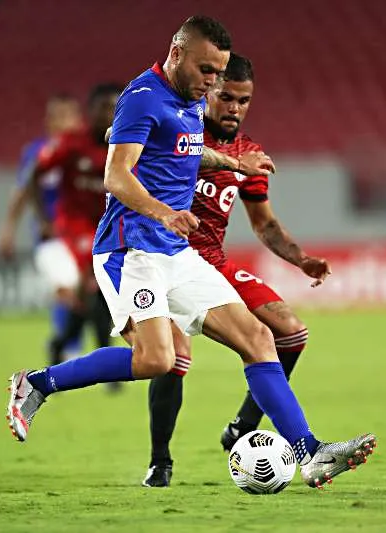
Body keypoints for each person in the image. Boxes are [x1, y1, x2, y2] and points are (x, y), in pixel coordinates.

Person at [6, 16, 375, 490]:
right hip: (130, 248)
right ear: (176, 53)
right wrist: (163, 212)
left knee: (259, 339)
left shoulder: (190, 100)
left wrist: (232, 162)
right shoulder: (141, 99)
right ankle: (38, 383)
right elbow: (116, 176)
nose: (211, 82)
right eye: (205, 69)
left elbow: (186, 149)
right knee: (157, 360)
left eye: (217, 73)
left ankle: (311, 452)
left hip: (175, 252)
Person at [143, 53, 332, 487]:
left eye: (244, 101)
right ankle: (160, 461)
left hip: (214, 263)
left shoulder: (249, 154)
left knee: (290, 330)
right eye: (226, 97)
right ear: (207, 91)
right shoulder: (177, 129)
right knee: (174, 359)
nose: (234, 108)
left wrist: (300, 259)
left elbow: (264, 223)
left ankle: (243, 426)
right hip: (163, 259)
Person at [28, 83, 122, 374]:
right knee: (93, 286)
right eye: (103, 107)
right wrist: (44, 219)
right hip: (76, 228)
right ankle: (106, 363)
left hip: (110, 227)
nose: (109, 114)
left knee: (94, 296)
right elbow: (35, 175)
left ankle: (62, 343)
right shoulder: (72, 143)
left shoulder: (127, 143)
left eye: (115, 108)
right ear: (90, 111)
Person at [0, 94, 83, 359]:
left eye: (66, 115)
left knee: (87, 293)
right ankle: (68, 348)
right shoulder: (36, 152)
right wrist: (8, 230)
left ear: (78, 119)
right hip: (51, 238)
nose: (60, 122)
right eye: (55, 116)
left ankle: (72, 346)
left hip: (84, 235)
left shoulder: (85, 150)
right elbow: (21, 193)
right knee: (65, 288)